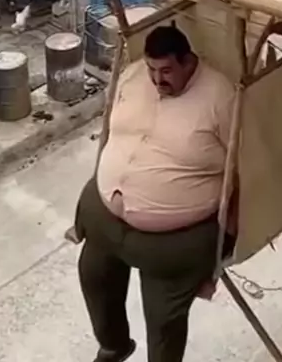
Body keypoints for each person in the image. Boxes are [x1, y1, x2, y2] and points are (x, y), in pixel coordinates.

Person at [75, 25, 236, 362]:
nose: (157, 79)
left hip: (173, 239)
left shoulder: (222, 97)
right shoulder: (134, 76)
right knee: (94, 276)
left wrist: (231, 235)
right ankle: (115, 345)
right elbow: (113, 131)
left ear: (188, 62)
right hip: (107, 215)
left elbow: (244, 166)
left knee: (163, 320)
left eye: (166, 71)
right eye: (152, 69)